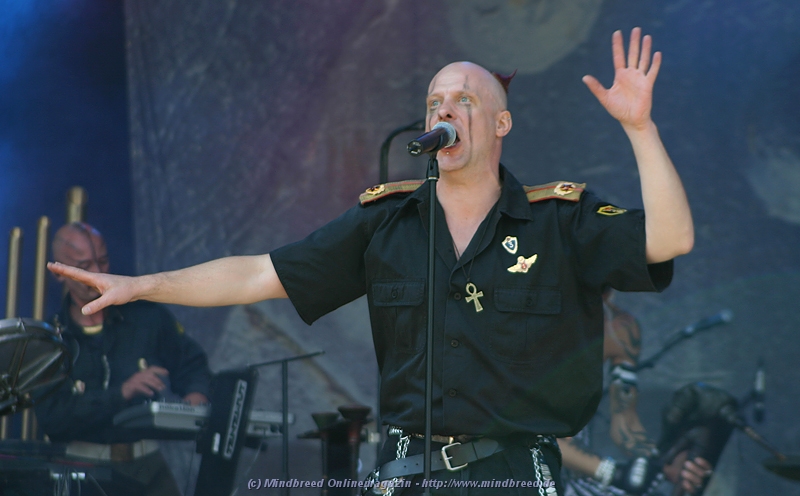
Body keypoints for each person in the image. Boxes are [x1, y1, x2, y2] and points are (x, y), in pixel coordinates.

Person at [48, 28, 694, 495]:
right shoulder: (387, 221)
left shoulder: (560, 218)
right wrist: (141, 284)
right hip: (407, 470)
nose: (445, 110)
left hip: (515, 472)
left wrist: (640, 128)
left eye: (465, 100)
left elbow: (670, 241)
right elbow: (257, 273)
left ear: (501, 125)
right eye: (435, 102)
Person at [35, 222, 212, 496]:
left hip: (147, 467)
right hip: (80, 470)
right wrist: (122, 393)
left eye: (103, 261)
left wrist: (196, 397)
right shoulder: (50, 339)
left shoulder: (145, 316)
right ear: (60, 272)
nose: (97, 272)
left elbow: (191, 363)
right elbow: (54, 419)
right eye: (84, 265)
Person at [559, 289, 713, 495]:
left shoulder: (621, 328)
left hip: (575, 470)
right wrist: (610, 471)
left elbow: (625, 423)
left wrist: (658, 461)